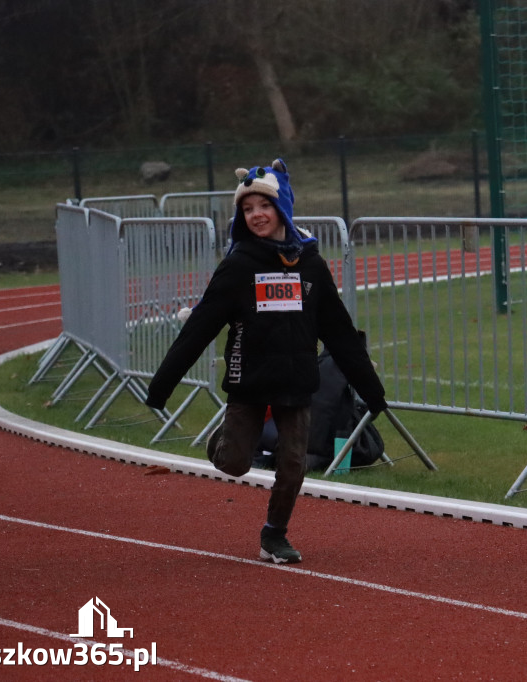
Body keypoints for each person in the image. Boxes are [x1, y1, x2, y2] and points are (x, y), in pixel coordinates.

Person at [144, 158, 387, 564]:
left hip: (296, 383)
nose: (256, 215)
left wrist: (372, 392)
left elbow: (340, 333)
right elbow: (200, 326)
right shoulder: (239, 265)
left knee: (293, 466)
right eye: (247, 209)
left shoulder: (310, 264)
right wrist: (161, 387)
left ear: (283, 209)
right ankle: (221, 443)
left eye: (264, 206)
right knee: (235, 464)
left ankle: (274, 535)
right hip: (250, 382)